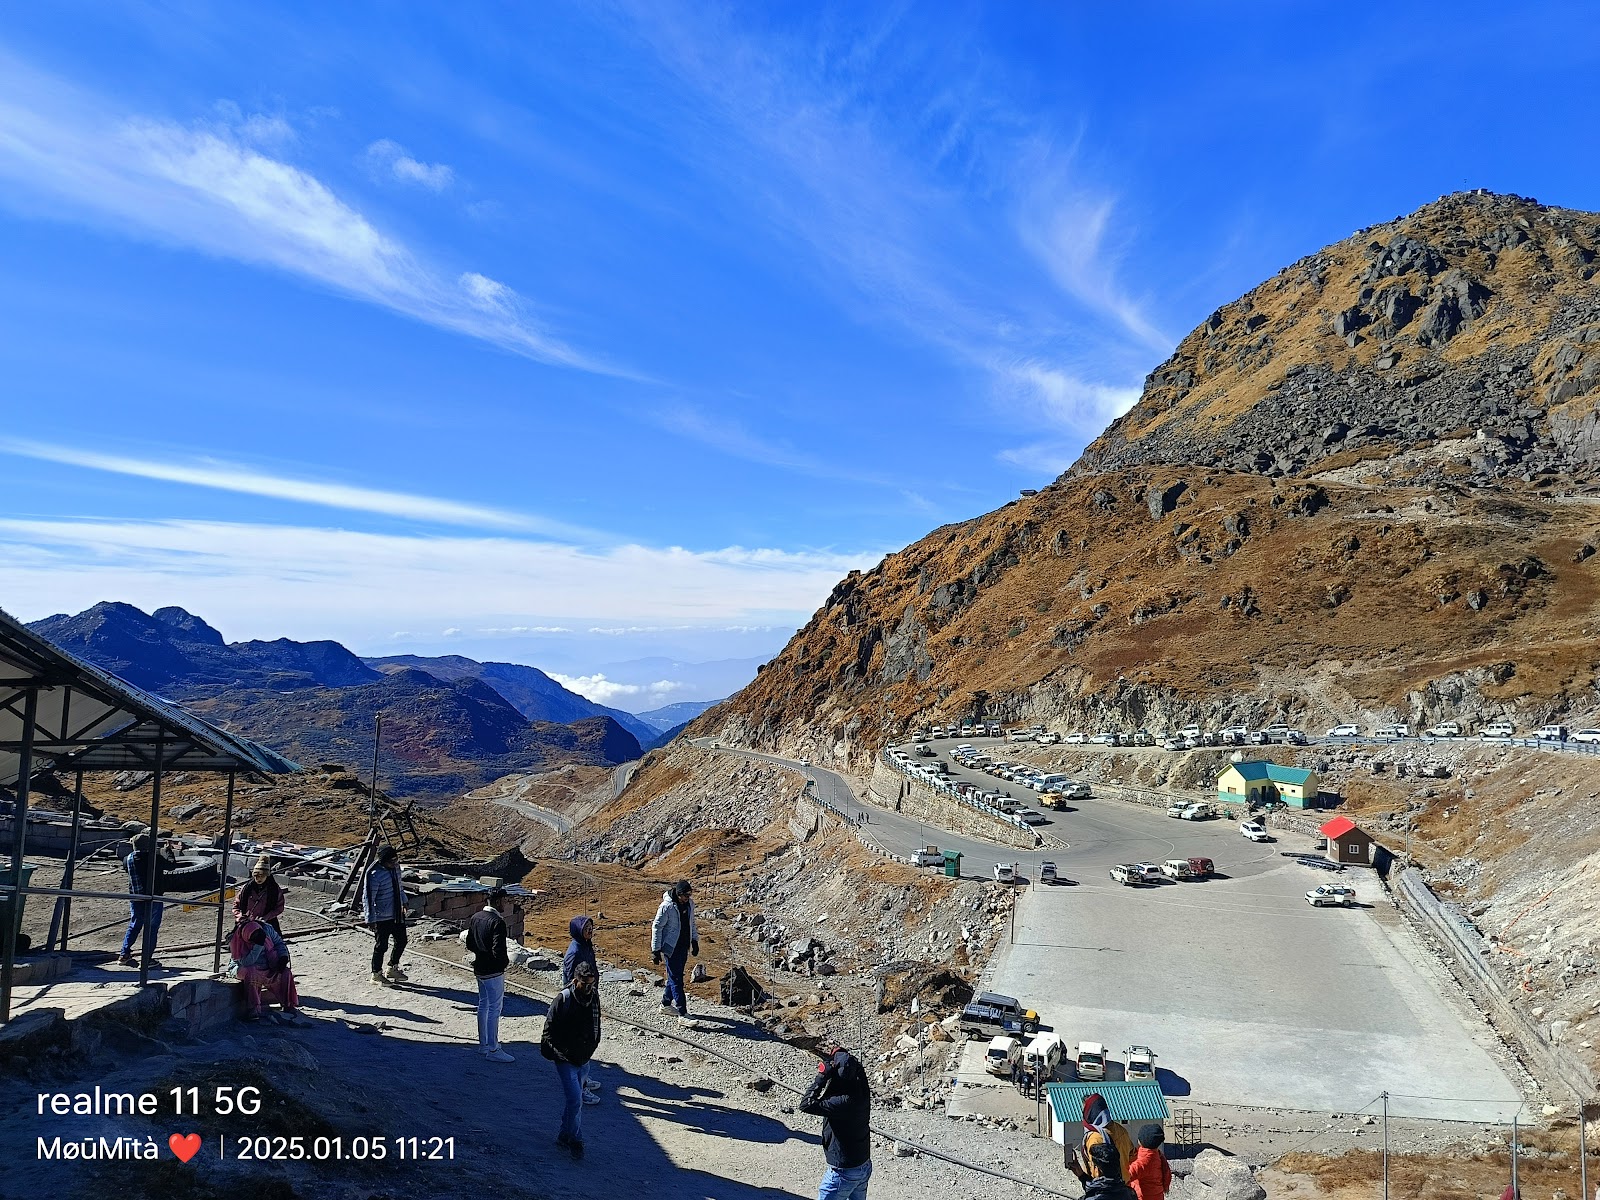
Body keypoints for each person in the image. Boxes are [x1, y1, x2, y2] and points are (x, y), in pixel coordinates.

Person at [541, 960, 601, 1161]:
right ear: (575, 981)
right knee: (576, 1100)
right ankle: (576, 1140)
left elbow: (596, 1027)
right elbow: (548, 1033)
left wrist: (590, 1050)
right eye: (585, 983)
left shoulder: (593, 998)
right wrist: (559, 1055)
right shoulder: (563, 999)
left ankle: (563, 1135)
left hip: (583, 1059)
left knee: (573, 1102)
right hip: (565, 1060)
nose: (588, 988)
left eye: (592, 983)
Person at [799, 1043, 872, 1200]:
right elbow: (854, 1067)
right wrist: (841, 1054)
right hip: (863, 1165)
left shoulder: (841, 1102)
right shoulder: (862, 1090)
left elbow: (806, 1104)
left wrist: (822, 1076)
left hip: (843, 1172)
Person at [466, 887, 513, 1062]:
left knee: (483, 1005)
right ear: (498, 901)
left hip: (479, 967)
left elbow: (470, 943)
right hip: (493, 971)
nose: (505, 905)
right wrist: (503, 964)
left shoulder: (476, 917)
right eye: (504, 901)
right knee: (494, 1008)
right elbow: (498, 950)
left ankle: (483, 1045)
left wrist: (481, 954)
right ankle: (494, 1049)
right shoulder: (497, 922)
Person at [563, 915, 603, 1103]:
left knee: (587, 1043)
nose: (590, 930)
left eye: (591, 927)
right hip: (579, 1003)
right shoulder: (575, 951)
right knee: (581, 1045)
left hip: (588, 999)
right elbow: (569, 981)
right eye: (586, 927)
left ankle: (584, 1079)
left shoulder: (586, 945)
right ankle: (581, 1088)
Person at [116, 832, 171, 967]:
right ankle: (146, 959)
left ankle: (124, 954)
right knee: (151, 928)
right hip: (153, 897)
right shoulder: (154, 858)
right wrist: (167, 851)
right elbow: (171, 865)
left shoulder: (127, 859)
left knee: (134, 925)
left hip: (135, 897)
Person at [232, 918, 300, 1021]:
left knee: (285, 973)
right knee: (251, 973)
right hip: (246, 967)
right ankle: (254, 1009)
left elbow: (279, 943)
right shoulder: (238, 942)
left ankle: (288, 1004)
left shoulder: (267, 929)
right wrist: (258, 946)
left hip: (269, 964)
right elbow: (246, 962)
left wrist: (283, 957)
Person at [650, 880, 699, 1024]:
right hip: (671, 947)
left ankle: (665, 1004)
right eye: (685, 895)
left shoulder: (690, 904)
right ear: (678, 894)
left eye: (689, 894)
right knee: (677, 979)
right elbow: (657, 927)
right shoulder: (667, 907)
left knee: (675, 976)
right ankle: (682, 1013)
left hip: (684, 946)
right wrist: (655, 950)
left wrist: (694, 941)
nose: (687, 898)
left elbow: (692, 923)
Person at [362, 845, 409, 986]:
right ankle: (376, 974)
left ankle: (392, 967)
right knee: (381, 946)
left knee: (402, 941)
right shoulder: (374, 875)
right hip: (382, 916)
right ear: (383, 861)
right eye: (391, 861)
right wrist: (370, 918)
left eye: (396, 860)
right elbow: (368, 898)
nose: (394, 863)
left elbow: (399, 887)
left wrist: (404, 901)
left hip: (397, 913)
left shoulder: (395, 869)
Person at [1072, 1093, 1135, 1185]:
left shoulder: (1094, 1138)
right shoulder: (1121, 1130)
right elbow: (1132, 1155)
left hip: (1105, 1188)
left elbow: (1097, 1170)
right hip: (1124, 1185)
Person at [233, 856, 285, 932]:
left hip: (267, 924)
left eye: (261, 876)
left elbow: (279, 907)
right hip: (246, 924)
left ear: (267, 875)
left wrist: (267, 917)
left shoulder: (274, 890)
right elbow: (236, 905)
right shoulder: (246, 889)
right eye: (256, 876)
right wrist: (240, 916)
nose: (258, 879)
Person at [1128, 1126, 1172, 1200]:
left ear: (1140, 1140)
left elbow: (1127, 1175)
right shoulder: (1156, 1154)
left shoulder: (1144, 1161)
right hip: (1156, 1196)